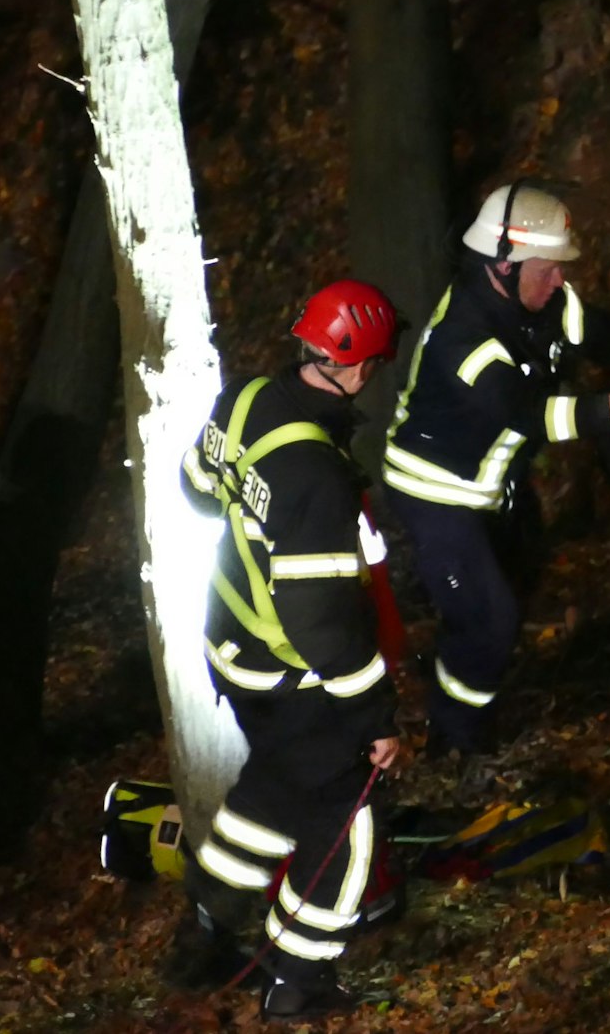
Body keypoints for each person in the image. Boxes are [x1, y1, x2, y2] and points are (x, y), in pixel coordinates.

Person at [382, 182, 610, 757]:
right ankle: (455, 742)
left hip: (495, 487)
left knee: (506, 595)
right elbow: (530, 416)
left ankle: (460, 676)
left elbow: (605, 335)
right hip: (437, 495)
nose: (560, 282)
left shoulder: (541, 302)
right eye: (548, 270)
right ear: (504, 265)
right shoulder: (463, 338)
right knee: (492, 618)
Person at [165, 279, 404, 1019]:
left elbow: (198, 487)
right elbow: (323, 622)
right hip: (289, 668)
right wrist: (376, 714)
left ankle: (204, 932)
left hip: (231, 648)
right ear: (358, 367)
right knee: (344, 820)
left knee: (274, 786)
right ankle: (297, 978)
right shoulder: (317, 478)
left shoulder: (247, 399)